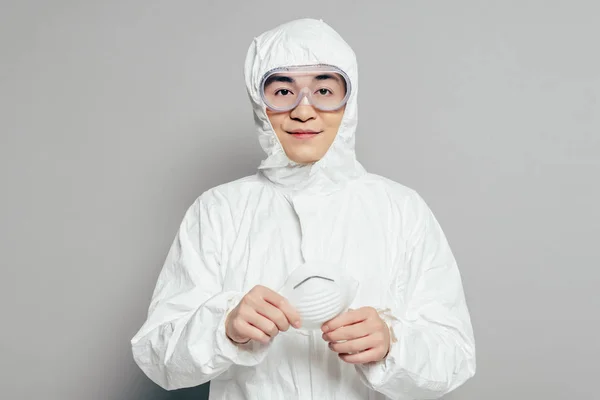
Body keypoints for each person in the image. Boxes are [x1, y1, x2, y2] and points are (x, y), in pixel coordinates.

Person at [131, 18, 476, 399]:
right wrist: (224, 326)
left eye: (325, 89)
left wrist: (393, 344)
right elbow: (156, 356)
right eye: (282, 91)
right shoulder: (218, 210)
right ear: (259, 102)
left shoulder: (401, 210)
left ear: (350, 100)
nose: (303, 110)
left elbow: (455, 358)